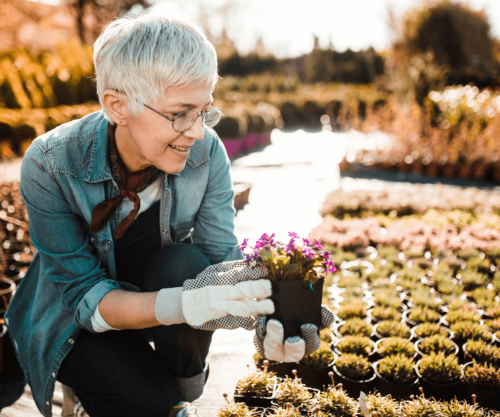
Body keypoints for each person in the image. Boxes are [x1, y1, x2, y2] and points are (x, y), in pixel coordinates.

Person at [5, 13, 331, 417]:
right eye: (180, 113)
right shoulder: (50, 163)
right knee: (144, 402)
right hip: (73, 317)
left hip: (156, 287)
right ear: (117, 105)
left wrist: (268, 319)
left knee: (187, 264)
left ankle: (175, 393)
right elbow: (83, 299)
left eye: (204, 111)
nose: (197, 132)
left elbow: (219, 261)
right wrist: (187, 306)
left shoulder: (206, 151)